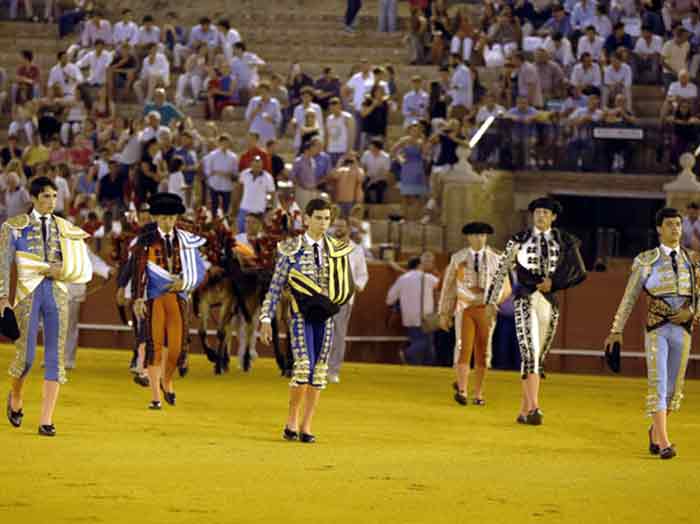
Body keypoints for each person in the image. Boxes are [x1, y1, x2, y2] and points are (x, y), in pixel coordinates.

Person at [2, 176, 93, 437]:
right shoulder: (14, 227)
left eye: (54, 196)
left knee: (56, 358)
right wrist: (1, 299)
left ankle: (46, 420)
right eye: (45, 196)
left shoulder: (65, 228)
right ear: (33, 198)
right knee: (27, 357)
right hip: (27, 295)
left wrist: (62, 270)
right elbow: (3, 265)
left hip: (56, 294)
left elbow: (79, 266)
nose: (51, 201)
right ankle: (16, 396)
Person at [604, 208, 697, 460]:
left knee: (674, 389)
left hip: (683, 330)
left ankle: (655, 431)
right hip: (657, 329)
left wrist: (691, 313)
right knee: (658, 382)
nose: (675, 228)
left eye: (678, 224)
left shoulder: (693, 260)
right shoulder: (647, 260)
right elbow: (630, 297)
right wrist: (616, 329)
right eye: (669, 224)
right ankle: (665, 442)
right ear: (659, 229)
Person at [259, 198, 355, 443]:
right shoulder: (291, 248)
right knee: (303, 367)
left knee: (319, 372)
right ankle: (292, 421)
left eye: (326, 219)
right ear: (306, 219)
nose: (323, 223)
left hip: (327, 317)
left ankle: (307, 424)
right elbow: (275, 287)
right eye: (318, 218)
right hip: (300, 316)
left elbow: (344, 284)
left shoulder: (337, 249)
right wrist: (266, 319)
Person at [485, 197, 586, 426]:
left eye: (545, 212)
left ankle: (524, 411)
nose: (540, 216)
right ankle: (534, 407)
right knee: (529, 353)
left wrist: (555, 283)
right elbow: (501, 271)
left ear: (553, 217)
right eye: (537, 212)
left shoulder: (565, 240)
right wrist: (491, 302)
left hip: (549, 303)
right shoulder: (519, 239)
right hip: (525, 300)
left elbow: (580, 272)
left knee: (537, 357)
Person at [131, 192, 206, 410]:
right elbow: (139, 270)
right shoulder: (145, 241)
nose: (168, 222)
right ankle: (155, 396)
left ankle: (167, 379)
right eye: (164, 218)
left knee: (176, 348)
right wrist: (138, 297)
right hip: (155, 297)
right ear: (156, 218)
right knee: (154, 345)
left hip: (178, 297)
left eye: (172, 218)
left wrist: (185, 283)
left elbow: (199, 270)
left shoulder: (186, 240)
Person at [439, 222, 509, 406]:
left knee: (483, 350)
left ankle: (479, 393)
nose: (479, 238)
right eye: (475, 235)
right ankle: (462, 390)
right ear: (468, 237)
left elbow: (505, 287)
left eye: (483, 235)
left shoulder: (497, 258)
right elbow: (449, 286)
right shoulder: (458, 258)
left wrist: (493, 301)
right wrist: (444, 313)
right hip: (465, 308)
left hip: (486, 309)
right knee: (463, 347)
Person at [327, 218, 368, 384]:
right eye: (336, 226)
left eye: (341, 226)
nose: (338, 228)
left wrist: (357, 286)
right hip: (324, 295)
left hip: (344, 297)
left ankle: (333, 370)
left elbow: (362, 275)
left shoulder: (357, 250)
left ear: (348, 229)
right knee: (322, 332)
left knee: (338, 334)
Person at [386, 252, 439, 366]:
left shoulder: (402, 279)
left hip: (408, 318)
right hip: (426, 317)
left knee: (426, 347)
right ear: (420, 265)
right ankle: (408, 354)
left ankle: (422, 368)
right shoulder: (429, 278)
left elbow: (389, 299)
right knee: (424, 342)